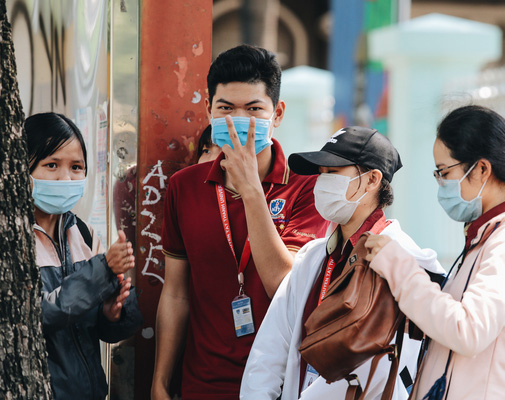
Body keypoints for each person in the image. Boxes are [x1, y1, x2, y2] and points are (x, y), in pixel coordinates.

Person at [364, 105, 505, 399]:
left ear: (482, 169)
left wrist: (399, 268)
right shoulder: (488, 236)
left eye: (444, 172)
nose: (441, 183)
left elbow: (468, 331)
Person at [151, 44, 328, 399]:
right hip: (201, 383)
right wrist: (161, 382)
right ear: (209, 111)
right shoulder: (185, 186)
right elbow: (175, 293)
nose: (237, 120)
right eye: (226, 109)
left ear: (277, 114)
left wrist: (250, 188)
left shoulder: (308, 188)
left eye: (253, 109)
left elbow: (284, 285)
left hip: (277, 384)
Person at [240, 126, 445, 400]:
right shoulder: (312, 258)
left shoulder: (406, 260)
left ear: (372, 179)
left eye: (333, 172)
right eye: (320, 173)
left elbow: (388, 367)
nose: (321, 182)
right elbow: (269, 350)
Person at [25, 112, 143, 400]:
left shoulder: (85, 234)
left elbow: (103, 331)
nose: (66, 177)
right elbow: (37, 315)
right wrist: (103, 270)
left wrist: (112, 313)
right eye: (51, 165)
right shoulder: (13, 239)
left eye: (76, 167)